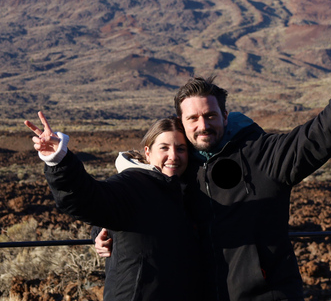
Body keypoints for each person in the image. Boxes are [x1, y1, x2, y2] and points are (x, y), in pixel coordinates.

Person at [98, 35, 331, 301]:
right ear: (182, 122)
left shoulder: (263, 155)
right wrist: (103, 231)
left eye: (210, 115)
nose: (203, 125)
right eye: (193, 118)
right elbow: (133, 199)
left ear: (225, 115)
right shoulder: (179, 170)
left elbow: (319, 136)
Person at [27, 114, 201, 301]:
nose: (173, 156)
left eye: (180, 149)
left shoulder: (188, 191)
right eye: (164, 148)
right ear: (148, 152)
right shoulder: (133, 184)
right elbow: (88, 199)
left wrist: (101, 231)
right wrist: (59, 159)